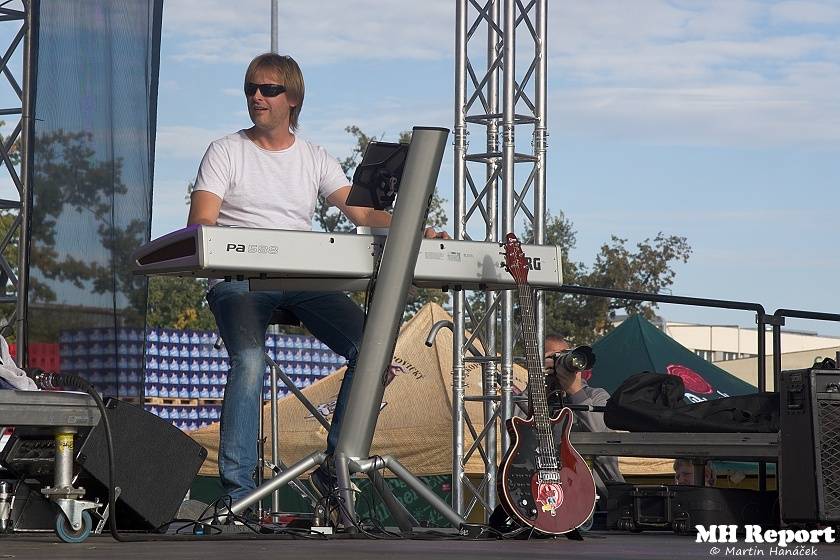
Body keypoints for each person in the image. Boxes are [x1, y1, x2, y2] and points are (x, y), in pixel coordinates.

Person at [187, 53, 447, 504]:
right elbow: (202, 222)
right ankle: (237, 494)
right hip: (239, 281)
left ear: (293, 99)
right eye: (251, 88)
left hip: (303, 279)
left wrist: (416, 230)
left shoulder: (314, 157)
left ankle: (336, 468)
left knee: (374, 350)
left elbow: (362, 210)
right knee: (248, 364)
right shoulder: (225, 150)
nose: (256, 97)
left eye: (268, 89)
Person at [528, 335, 625, 498]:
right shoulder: (530, 396)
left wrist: (576, 392)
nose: (561, 363)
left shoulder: (596, 396)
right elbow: (515, 431)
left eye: (565, 356)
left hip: (598, 494)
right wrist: (536, 385)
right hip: (545, 494)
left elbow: (604, 439)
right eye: (554, 357)